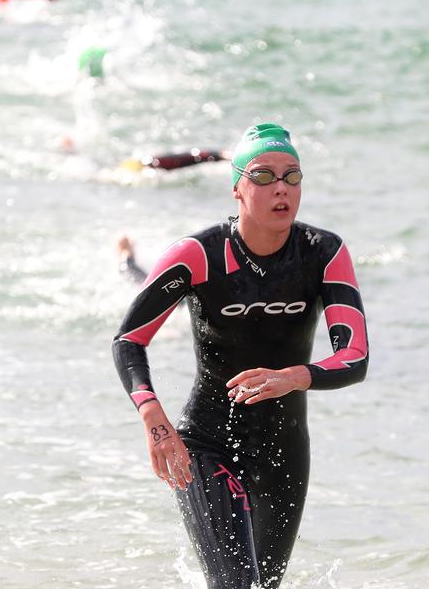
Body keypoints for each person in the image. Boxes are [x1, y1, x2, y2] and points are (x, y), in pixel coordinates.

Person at [111, 123, 370, 588]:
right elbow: (129, 339)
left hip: (283, 449)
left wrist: (296, 376)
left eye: (292, 176)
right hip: (207, 443)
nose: (281, 189)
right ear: (237, 188)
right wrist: (156, 423)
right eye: (264, 175)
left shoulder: (323, 253)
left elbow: (354, 356)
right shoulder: (198, 254)